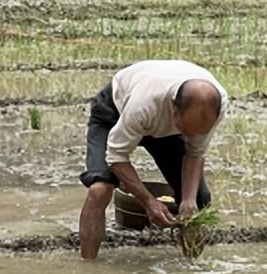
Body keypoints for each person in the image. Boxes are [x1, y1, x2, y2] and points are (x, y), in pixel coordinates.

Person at [78, 60, 228, 259]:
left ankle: (192, 268)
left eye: (196, 133)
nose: (191, 136)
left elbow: (195, 152)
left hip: (166, 126)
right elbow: (116, 157)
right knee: (100, 189)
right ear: (174, 109)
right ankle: (88, 272)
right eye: (186, 131)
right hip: (115, 112)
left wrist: (189, 200)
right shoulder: (144, 104)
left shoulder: (213, 106)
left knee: (198, 201)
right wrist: (149, 202)